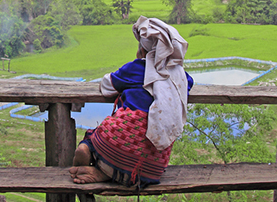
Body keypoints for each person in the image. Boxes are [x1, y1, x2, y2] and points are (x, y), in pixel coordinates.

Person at [69, 16, 193, 188]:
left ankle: (99, 166)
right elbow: (188, 85)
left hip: (117, 144)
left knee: (92, 138)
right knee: (146, 164)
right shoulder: (181, 77)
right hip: (151, 166)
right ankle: (114, 174)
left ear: (143, 52)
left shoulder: (135, 68)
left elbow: (107, 85)